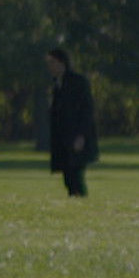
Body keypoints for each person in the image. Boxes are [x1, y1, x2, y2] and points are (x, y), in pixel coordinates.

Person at [46, 47, 98, 197]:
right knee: (68, 176)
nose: (50, 66)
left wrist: (81, 136)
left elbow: (87, 110)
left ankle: (80, 200)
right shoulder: (57, 84)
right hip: (63, 138)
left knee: (76, 175)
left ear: (62, 62)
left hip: (77, 136)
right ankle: (74, 199)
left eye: (52, 62)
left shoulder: (78, 82)